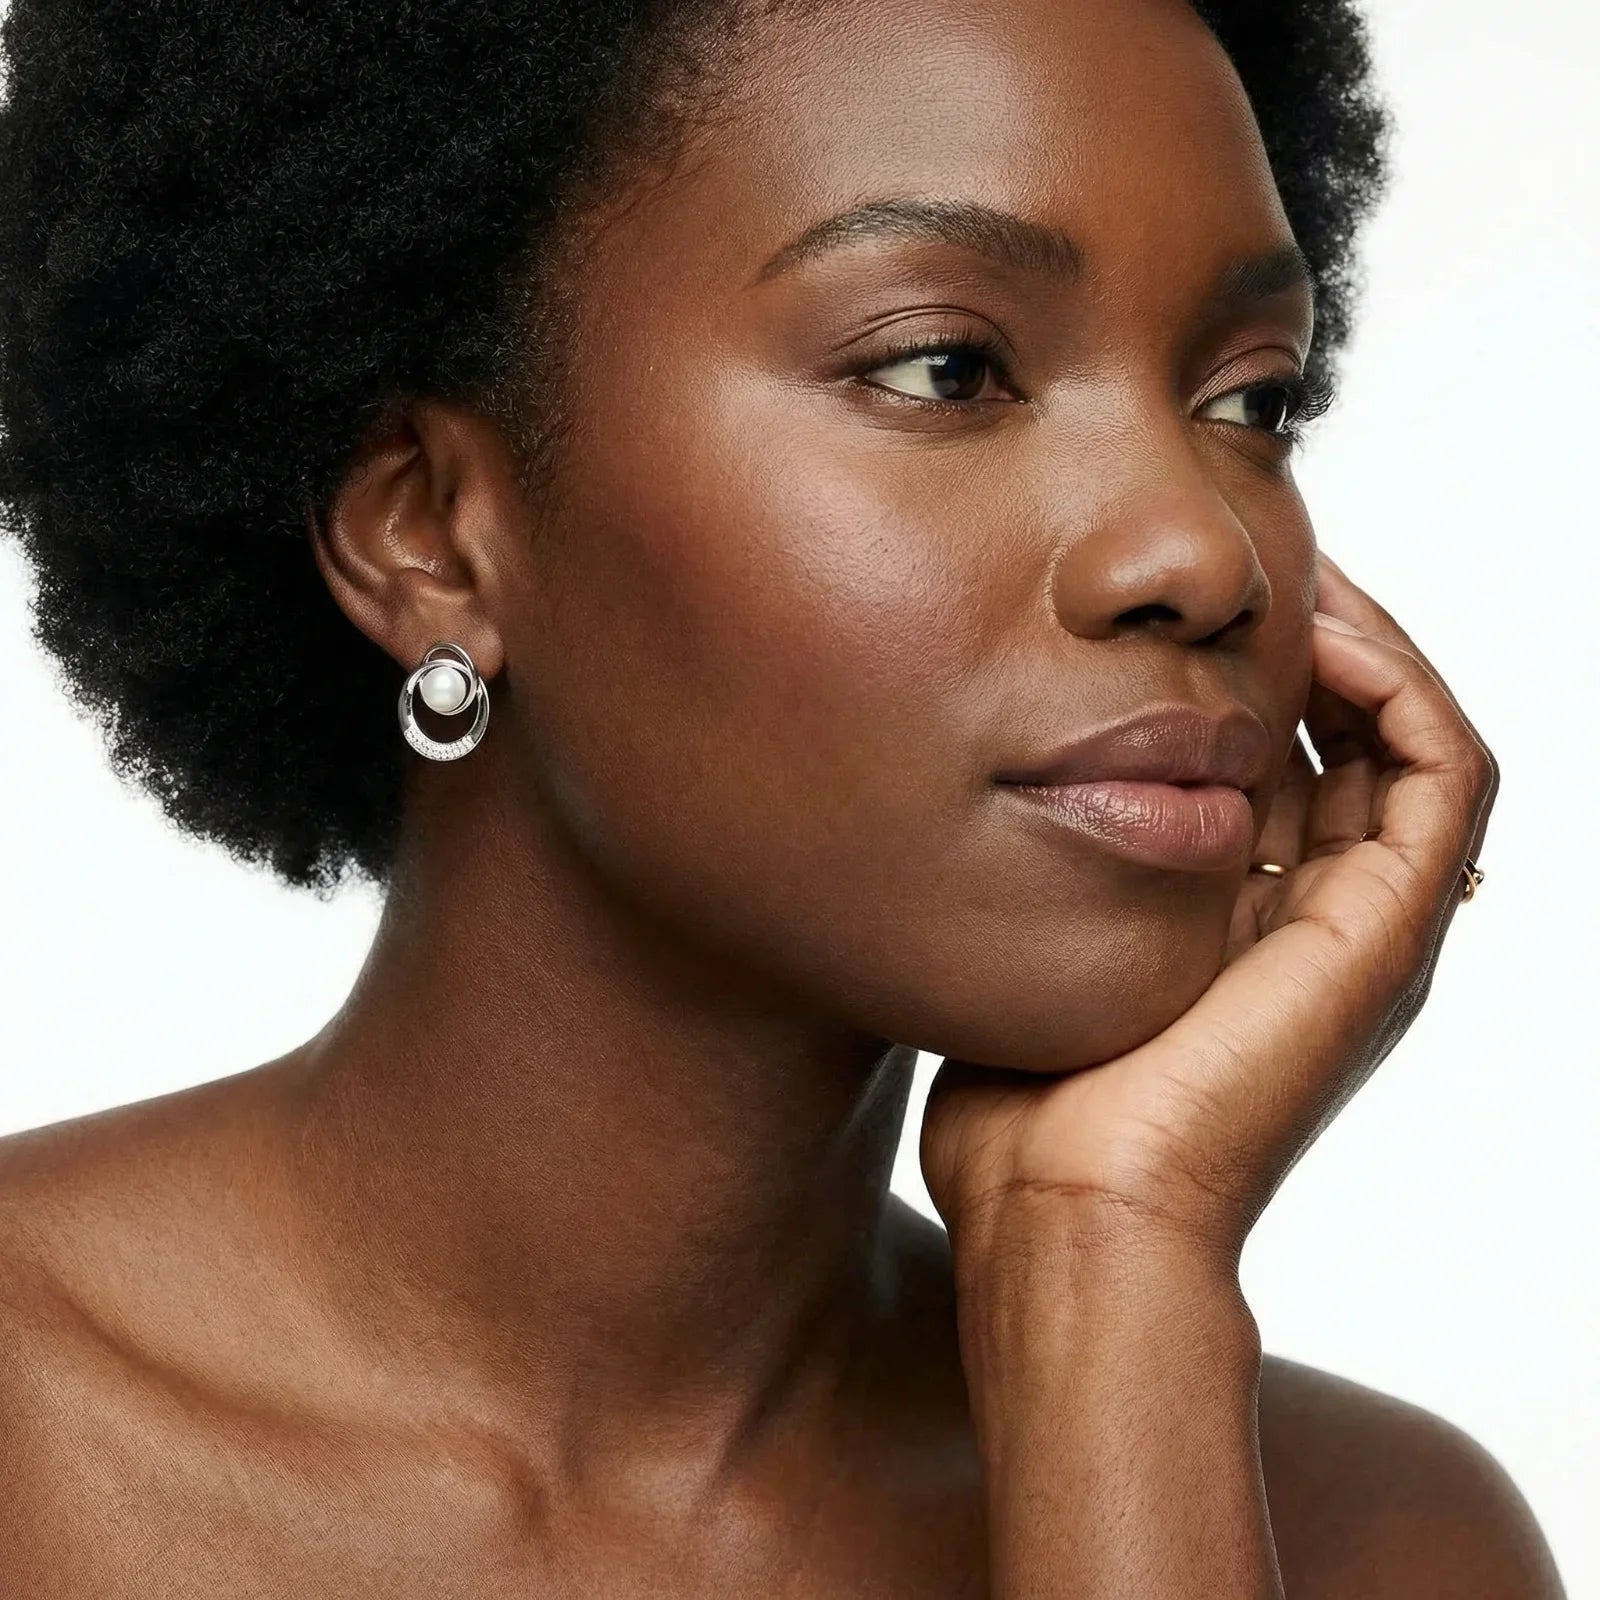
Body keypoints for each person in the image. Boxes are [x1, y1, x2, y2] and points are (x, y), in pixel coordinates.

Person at [0, 0, 1567, 1593]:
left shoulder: (1383, 1542)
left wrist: (1110, 1273)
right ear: (434, 533)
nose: (1201, 554)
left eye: (1250, 401)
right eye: (947, 368)